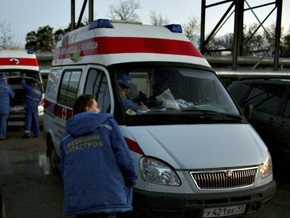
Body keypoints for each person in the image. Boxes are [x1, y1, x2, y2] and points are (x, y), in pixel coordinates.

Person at [60, 94, 137, 217]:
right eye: (96, 106)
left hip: (79, 201)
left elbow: (64, 170)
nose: (99, 110)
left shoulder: (66, 137)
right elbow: (123, 156)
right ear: (87, 108)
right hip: (107, 195)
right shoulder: (108, 124)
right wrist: (130, 179)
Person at [21, 73, 42, 139]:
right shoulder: (39, 92)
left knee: (28, 120)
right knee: (35, 121)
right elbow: (40, 100)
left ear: (32, 84)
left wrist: (23, 78)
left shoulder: (29, 88)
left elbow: (23, 84)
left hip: (29, 106)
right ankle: (37, 133)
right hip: (35, 107)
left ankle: (27, 134)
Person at [0, 74, 15, 140]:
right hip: (4, 108)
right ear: (5, 80)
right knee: (3, 122)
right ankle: (2, 136)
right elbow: (13, 95)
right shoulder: (7, 87)